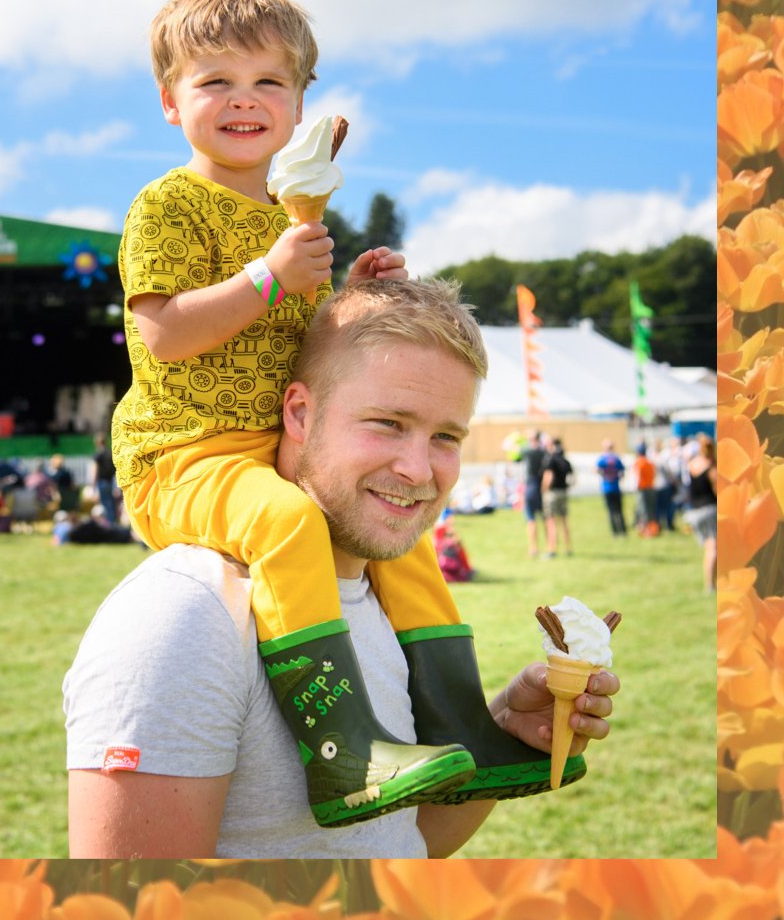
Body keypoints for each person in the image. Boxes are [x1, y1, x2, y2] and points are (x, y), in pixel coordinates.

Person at [66, 279, 620, 858]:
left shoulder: (385, 594)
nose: (417, 469)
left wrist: (501, 723)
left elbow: (396, 844)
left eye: (445, 437)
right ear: (300, 413)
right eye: (388, 423)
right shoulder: (184, 617)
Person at [109, 0, 472, 827]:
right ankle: (345, 754)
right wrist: (267, 275)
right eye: (216, 82)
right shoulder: (168, 204)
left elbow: (297, 342)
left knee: (407, 538)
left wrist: (343, 294)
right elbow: (162, 333)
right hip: (186, 456)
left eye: (269, 81)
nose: (245, 100)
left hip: (278, 448)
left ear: (301, 100)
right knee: (288, 522)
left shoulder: (289, 211)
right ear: (171, 101)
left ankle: (464, 725)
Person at [682, 433, 717, 592]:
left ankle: (713, 582)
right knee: (713, 549)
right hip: (709, 509)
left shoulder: (692, 464)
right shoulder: (711, 467)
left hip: (694, 512)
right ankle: (710, 585)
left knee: (709, 549)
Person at [541, 437, 573, 557]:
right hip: (563, 492)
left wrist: (544, 489)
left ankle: (552, 549)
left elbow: (548, 476)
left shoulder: (551, 460)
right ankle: (568, 547)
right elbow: (572, 479)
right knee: (564, 520)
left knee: (551, 521)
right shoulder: (565, 461)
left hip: (552, 493)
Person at [596, 439, 627, 537]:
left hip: (607, 488)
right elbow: (622, 472)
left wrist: (604, 475)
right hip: (616, 488)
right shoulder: (616, 458)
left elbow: (596, 470)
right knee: (619, 511)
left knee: (611, 511)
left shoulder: (602, 459)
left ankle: (615, 532)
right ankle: (622, 531)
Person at [88, 432, 119, 526]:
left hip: (102, 482)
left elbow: (95, 470)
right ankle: (113, 522)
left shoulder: (98, 455)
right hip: (111, 481)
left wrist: (92, 485)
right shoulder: (111, 453)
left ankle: (109, 524)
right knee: (112, 503)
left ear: (97, 443)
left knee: (105, 504)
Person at [631, 442, 658, 536]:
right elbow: (654, 474)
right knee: (651, 509)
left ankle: (647, 531)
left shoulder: (639, 462)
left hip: (642, 488)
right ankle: (653, 528)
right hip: (651, 487)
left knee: (643, 510)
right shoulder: (649, 462)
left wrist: (636, 487)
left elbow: (637, 475)